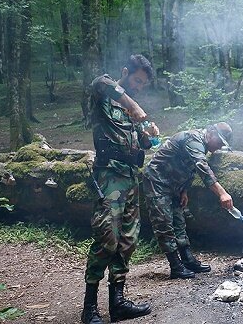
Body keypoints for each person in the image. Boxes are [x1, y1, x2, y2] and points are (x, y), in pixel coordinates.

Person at [81, 55, 158, 324]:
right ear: (125, 72)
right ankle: (89, 307)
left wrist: (149, 139)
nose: (138, 87)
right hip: (109, 178)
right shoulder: (105, 94)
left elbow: (142, 146)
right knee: (106, 239)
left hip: (130, 179)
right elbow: (99, 81)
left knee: (127, 241)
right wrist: (132, 103)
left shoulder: (131, 112)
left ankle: (118, 303)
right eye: (136, 81)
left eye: (142, 85)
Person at [142, 122, 235, 280]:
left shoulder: (202, 145)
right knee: (164, 223)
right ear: (211, 133)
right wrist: (222, 193)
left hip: (174, 185)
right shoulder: (193, 139)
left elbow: (188, 168)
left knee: (179, 222)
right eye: (219, 142)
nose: (219, 147)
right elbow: (200, 166)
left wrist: (184, 190)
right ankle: (175, 266)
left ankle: (188, 260)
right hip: (157, 181)